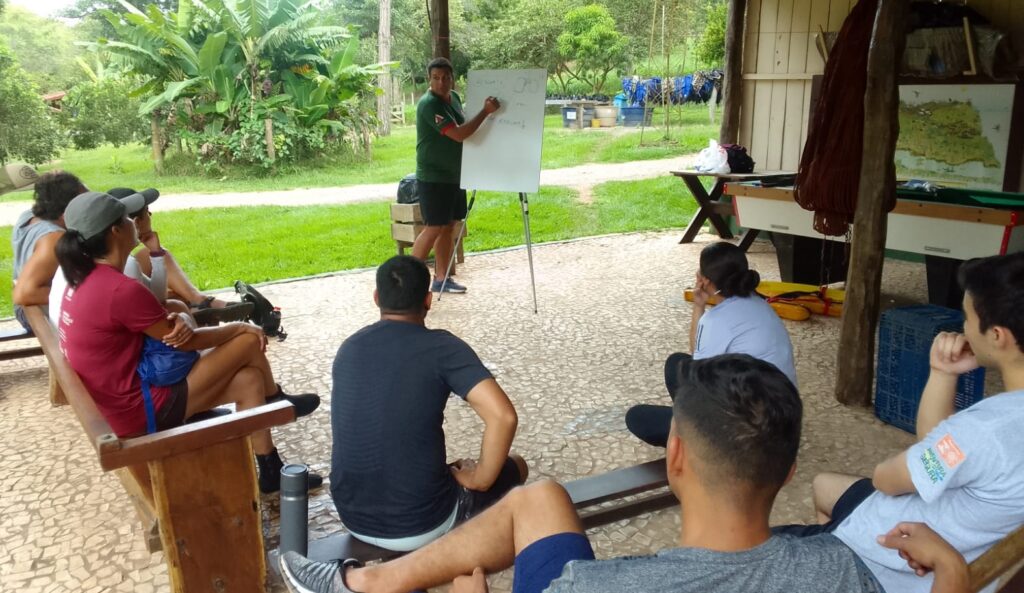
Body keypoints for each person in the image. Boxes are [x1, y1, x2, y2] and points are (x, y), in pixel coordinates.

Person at [281, 354, 969, 593]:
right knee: (542, 494)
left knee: (534, 501)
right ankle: (371, 582)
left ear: (674, 457)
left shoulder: (594, 585)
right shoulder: (841, 572)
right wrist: (956, 577)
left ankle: (368, 581)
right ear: (788, 470)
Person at [783, 252, 1024, 593]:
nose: (963, 327)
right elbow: (940, 446)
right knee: (825, 484)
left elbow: (887, 479)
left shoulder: (984, 432)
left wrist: (918, 458)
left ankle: (835, 561)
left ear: (998, 336)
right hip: (951, 533)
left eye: (968, 317)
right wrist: (942, 373)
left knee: (738, 556)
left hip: (886, 560)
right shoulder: (988, 431)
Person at [53, 191, 322, 493]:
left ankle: (271, 470)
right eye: (128, 218)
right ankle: (277, 400)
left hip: (117, 405)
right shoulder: (118, 289)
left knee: (248, 380)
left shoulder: (84, 277)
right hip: (141, 409)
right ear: (115, 231)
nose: (135, 222)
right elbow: (185, 342)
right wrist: (237, 327)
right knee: (247, 342)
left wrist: (183, 319)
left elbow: (167, 325)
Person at [329, 255, 527, 552]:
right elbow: (503, 417)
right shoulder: (442, 348)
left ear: (376, 298)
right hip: (421, 523)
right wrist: (479, 478)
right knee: (517, 467)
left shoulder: (350, 347)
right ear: (428, 300)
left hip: (351, 515)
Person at [625, 241, 797, 447]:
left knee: (637, 417)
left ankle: (702, 441)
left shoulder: (717, 320)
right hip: (784, 417)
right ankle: (691, 418)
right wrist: (700, 305)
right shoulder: (759, 303)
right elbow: (697, 358)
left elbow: (700, 375)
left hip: (750, 435)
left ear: (704, 280)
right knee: (676, 363)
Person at [411, 57, 501, 294]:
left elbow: (465, 126)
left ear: (453, 78)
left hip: (455, 174)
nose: (441, 82)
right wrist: (486, 112)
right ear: (429, 80)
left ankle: (442, 278)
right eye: (436, 78)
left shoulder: (456, 99)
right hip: (433, 176)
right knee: (434, 227)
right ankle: (406, 278)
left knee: (449, 226)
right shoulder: (429, 105)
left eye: (446, 77)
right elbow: (460, 134)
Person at [106, 187, 253, 325]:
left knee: (178, 301)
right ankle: (199, 304)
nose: (151, 216)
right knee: (249, 339)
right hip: (139, 344)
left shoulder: (122, 262)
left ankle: (198, 305)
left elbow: (159, 298)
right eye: (148, 212)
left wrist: (156, 254)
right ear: (136, 222)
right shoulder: (129, 266)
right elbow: (153, 310)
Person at [11, 170, 87, 332]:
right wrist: (83, 297)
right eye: (84, 202)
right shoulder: (54, 238)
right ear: (67, 211)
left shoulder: (28, 217)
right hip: (36, 311)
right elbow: (24, 293)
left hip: (29, 308)